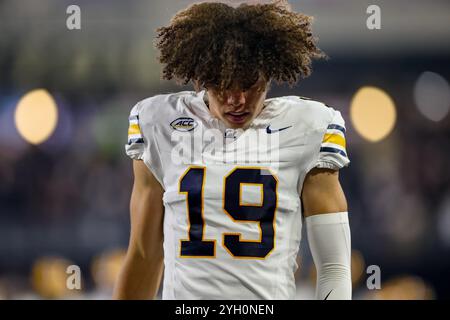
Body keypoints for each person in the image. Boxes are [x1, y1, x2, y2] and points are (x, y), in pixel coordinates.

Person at [113, 1, 351, 300]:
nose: (237, 99)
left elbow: (333, 266)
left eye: (249, 84)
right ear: (200, 76)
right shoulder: (159, 122)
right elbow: (144, 255)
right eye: (222, 84)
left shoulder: (309, 127)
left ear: (270, 72)